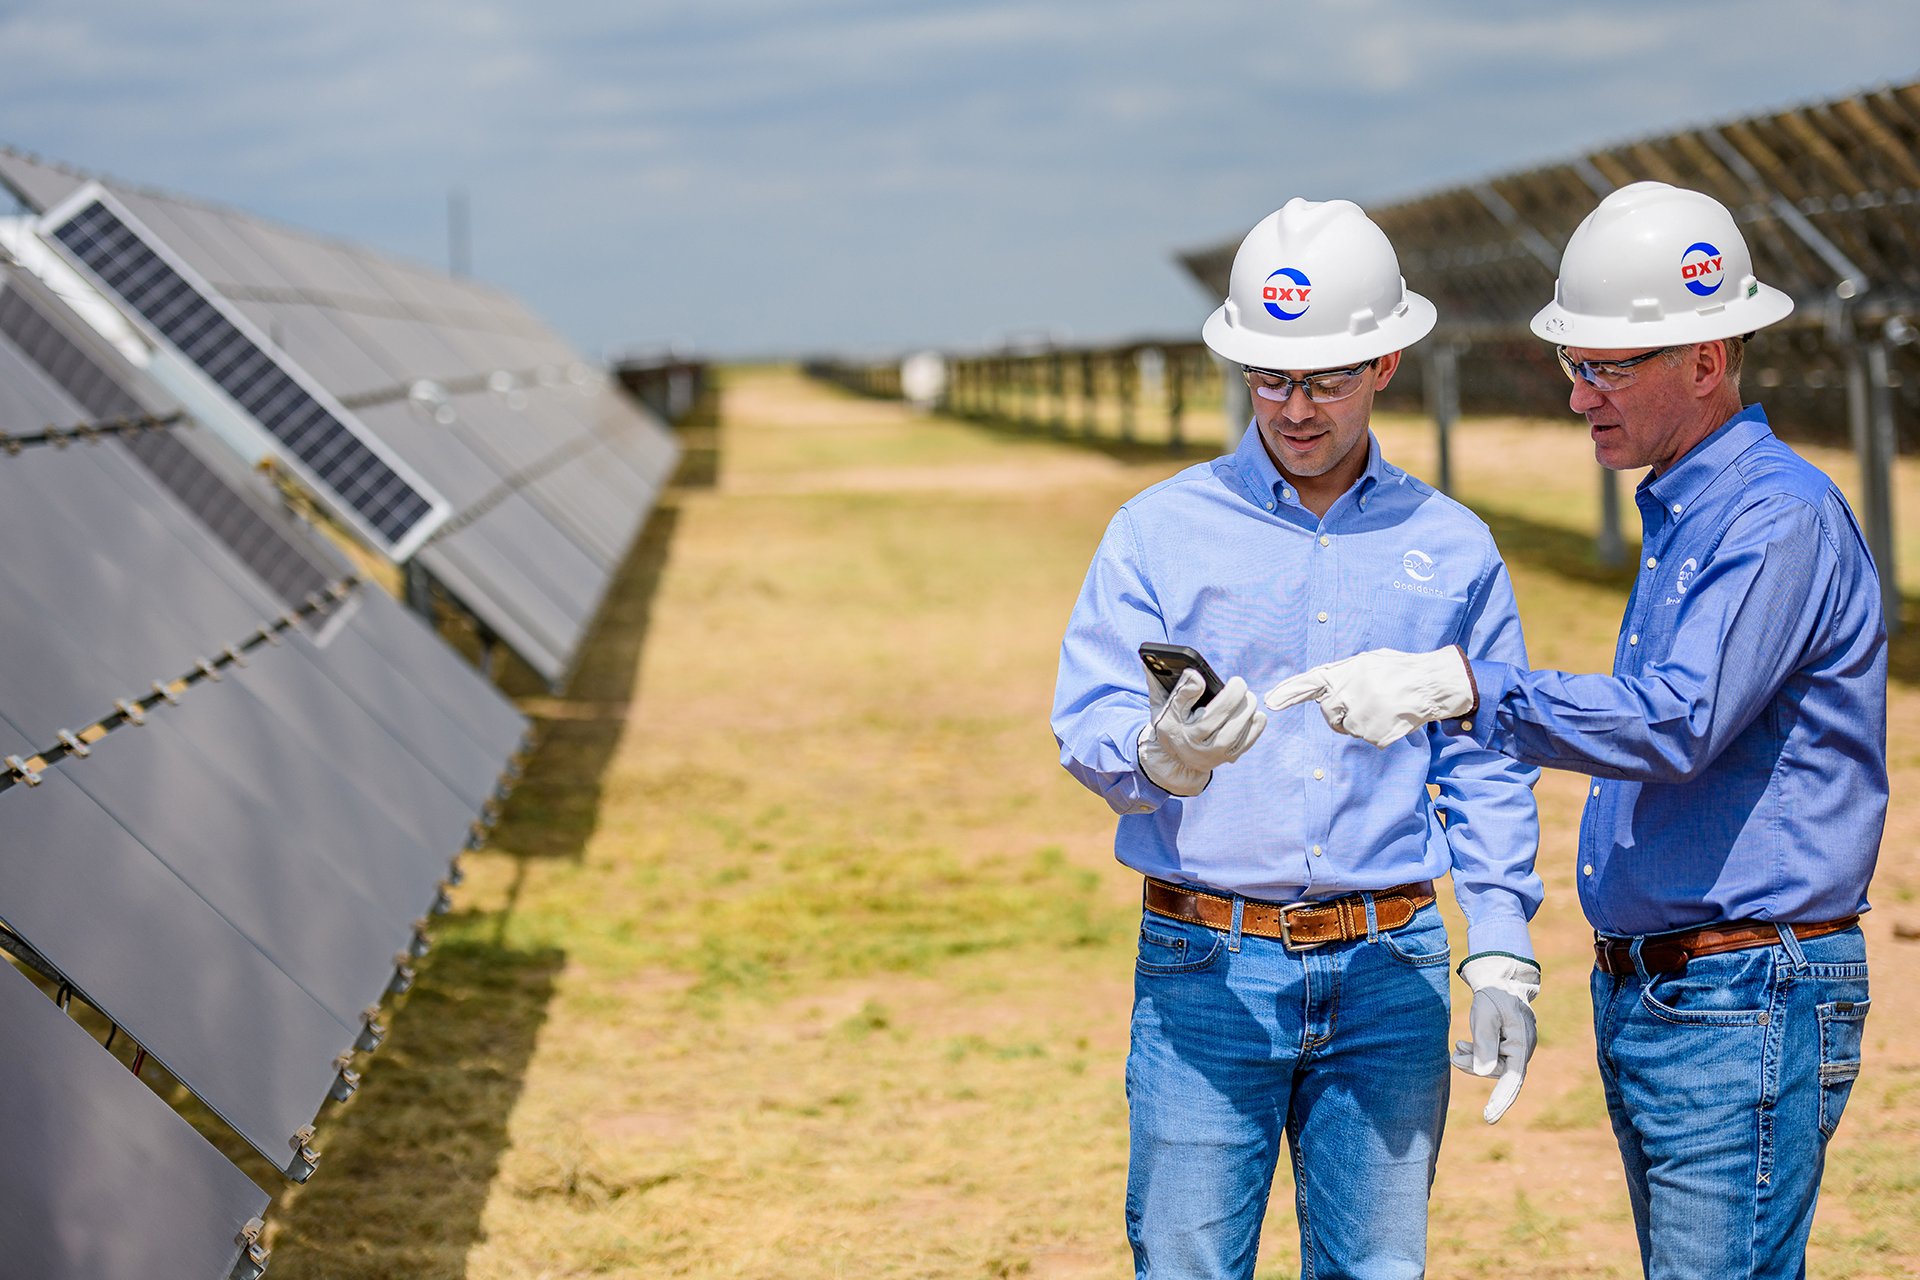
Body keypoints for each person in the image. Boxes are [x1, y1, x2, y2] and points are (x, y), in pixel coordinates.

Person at [1267, 181, 1885, 1280]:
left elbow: (1677, 724)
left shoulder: (1773, 518)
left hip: (1742, 992)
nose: (1579, 396)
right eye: (1574, 366)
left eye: (1607, 366)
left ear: (1706, 359)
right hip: (1676, 990)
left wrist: (1461, 685)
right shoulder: (1692, 513)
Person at [1050, 197, 1544, 1280]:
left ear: (1386, 362)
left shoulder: (1451, 545)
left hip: (1389, 967)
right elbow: (1084, 719)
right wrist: (1157, 755)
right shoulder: (1157, 531)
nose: (1295, 406)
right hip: (1205, 966)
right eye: (1271, 377)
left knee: (1376, 1267)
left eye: (1324, 377)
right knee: (1184, 1262)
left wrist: (1501, 940)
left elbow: (1484, 757)